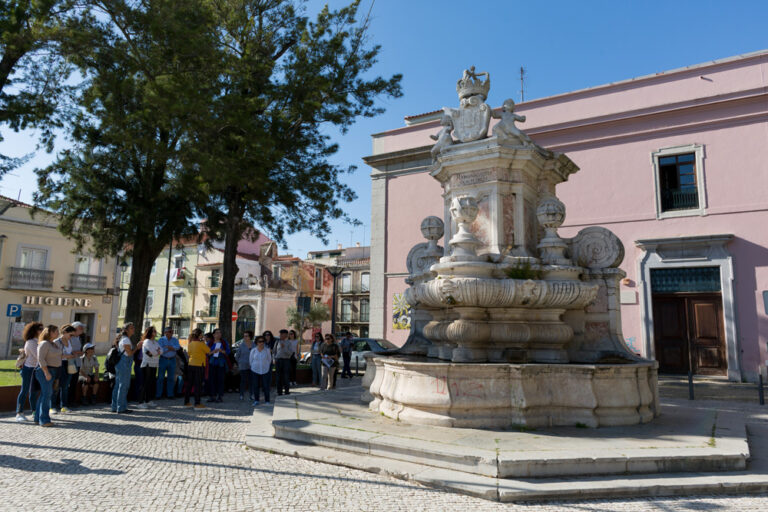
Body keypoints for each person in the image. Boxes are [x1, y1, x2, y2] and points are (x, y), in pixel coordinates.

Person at [15, 322, 43, 422]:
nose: (42, 330)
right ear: (34, 331)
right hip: (29, 369)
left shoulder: (39, 341)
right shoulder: (31, 342)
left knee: (34, 391)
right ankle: (19, 412)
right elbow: (38, 356)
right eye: (40, 329)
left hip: (36, 369)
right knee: (25, 390)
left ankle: (34, 411)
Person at [34, 325, 61, 427]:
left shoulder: (53, 344)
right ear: (50, 332)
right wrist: (46, 372)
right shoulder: (44, 344)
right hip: (45, 371)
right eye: (56, 331)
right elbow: (41, 359)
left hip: (54, 370)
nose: (57, 333)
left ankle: (38, 418)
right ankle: (44, 420)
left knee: (44, 395)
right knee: (47, 395)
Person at [111, 323, 136, 414]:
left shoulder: (124, 339)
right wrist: (137, 347)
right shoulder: (126, 340)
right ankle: (121, 408)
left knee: (118, 385)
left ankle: (115, 406)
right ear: (126, 330)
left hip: (121, 364)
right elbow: (130, 353)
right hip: (124, 364)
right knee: (123, 386)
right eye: (131, 328)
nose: (133, 329)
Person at [52, 324, 78, 414]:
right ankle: (52, 406)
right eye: (71, 335)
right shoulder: (56, 342)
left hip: (68, 364)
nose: (71, 337)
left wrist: (73, 354)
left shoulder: (69, 341)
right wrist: (68, 356)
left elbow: (69, 351)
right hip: (59, 364)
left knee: (65, 386)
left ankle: (63, 406)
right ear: (65, 332)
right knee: (56, 385)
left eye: (73, 336)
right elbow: (54, 355)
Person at [184, 328, 209, 408]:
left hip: (191, 365)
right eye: (202, 334)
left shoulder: (190, 343)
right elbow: (208, 351)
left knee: (189, 384)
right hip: (199, 365)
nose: (203, 335)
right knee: (198, 385)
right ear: (199, 335)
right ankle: (197, 403)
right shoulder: (201, 344)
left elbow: (189, 353)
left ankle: (186, 402)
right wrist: (204, 342)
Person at [138, 326, 162, 409]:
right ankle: (140, 402)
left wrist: (157, 352)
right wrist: (156, 352)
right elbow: (152, 352)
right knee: (145, 383)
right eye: (154, 331)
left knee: (151, 383)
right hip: (147, 364)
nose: (155, 332)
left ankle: (148, 400)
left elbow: (161, 351)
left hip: (154, 364)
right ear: (150, 332)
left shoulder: (155, 342)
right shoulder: (147, 341)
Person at [156, 326, 180, 399]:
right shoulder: (161, 339)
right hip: (163, 359)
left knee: (171, 378)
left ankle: (170, 394)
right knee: (160, 378)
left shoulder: (175, 339)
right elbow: (159, 349)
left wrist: (169, 348)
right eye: (170, 331)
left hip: (172, 360)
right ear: (165, 332)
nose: (171, 333)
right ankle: (158, 395)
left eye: (172, 332)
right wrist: (171, 348)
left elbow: (178, 347)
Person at [207, 328, 229, 402]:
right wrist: (213, 351)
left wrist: (222, 351)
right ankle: (212, 395)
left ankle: (220, 396)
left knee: (220, 380)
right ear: (213, 335)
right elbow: (207, 353)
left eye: (220, 333)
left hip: (221, 363)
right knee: (212, 379)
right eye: (217, 333)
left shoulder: (224, 342)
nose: (219, 334)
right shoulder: (210, 343)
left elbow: (228, 352)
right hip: (212, 362)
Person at [249, 335, 272, 405]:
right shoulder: (253, 350)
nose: (261, 343)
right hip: (255, 370)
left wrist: (266, 366)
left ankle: (267, 400)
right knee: (255, 386)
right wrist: (254, 366)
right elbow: (250, 360)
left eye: (262, 341)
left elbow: (269, 360)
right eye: (259, 341)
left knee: (266, 386)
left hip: (265, 370)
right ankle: (256, 400)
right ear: (256, 342)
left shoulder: (267, 350)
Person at [67, 321, 86, 405]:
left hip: (77, 362)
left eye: (82, 328)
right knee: (68, 382)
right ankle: (66, 401)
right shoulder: (69, 338)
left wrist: (80, 352)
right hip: (70, 363)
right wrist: (78, 352)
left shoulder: (79, 338)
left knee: (74, 382)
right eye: (80, 328)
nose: (82, 330)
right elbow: (68, 351)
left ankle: (71, 400)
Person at [274, 329, 294, 396]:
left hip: (286, 361)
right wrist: (274, 359)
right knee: (278, 376)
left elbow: (290, 353)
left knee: (286, 376)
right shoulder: (277, 342)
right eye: (280, 334)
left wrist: (284, 348)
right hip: (278, 360)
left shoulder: (289, 343)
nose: (280, 335)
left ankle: (286, 391)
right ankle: (279, 391)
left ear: (285, 335)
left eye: (281, 334)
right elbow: (274, 351)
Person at [235, 331, 254, 401]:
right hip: (243, 366)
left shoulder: (254, 345)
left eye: (246, 336)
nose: (245, 337)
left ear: (250, 337)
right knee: (243, 381)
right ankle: (241, 395)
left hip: (252, 366)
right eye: (244, 336)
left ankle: (251, 395)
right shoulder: (241, 345)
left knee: (251, 381)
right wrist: (240, 362)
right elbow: (237, 356)